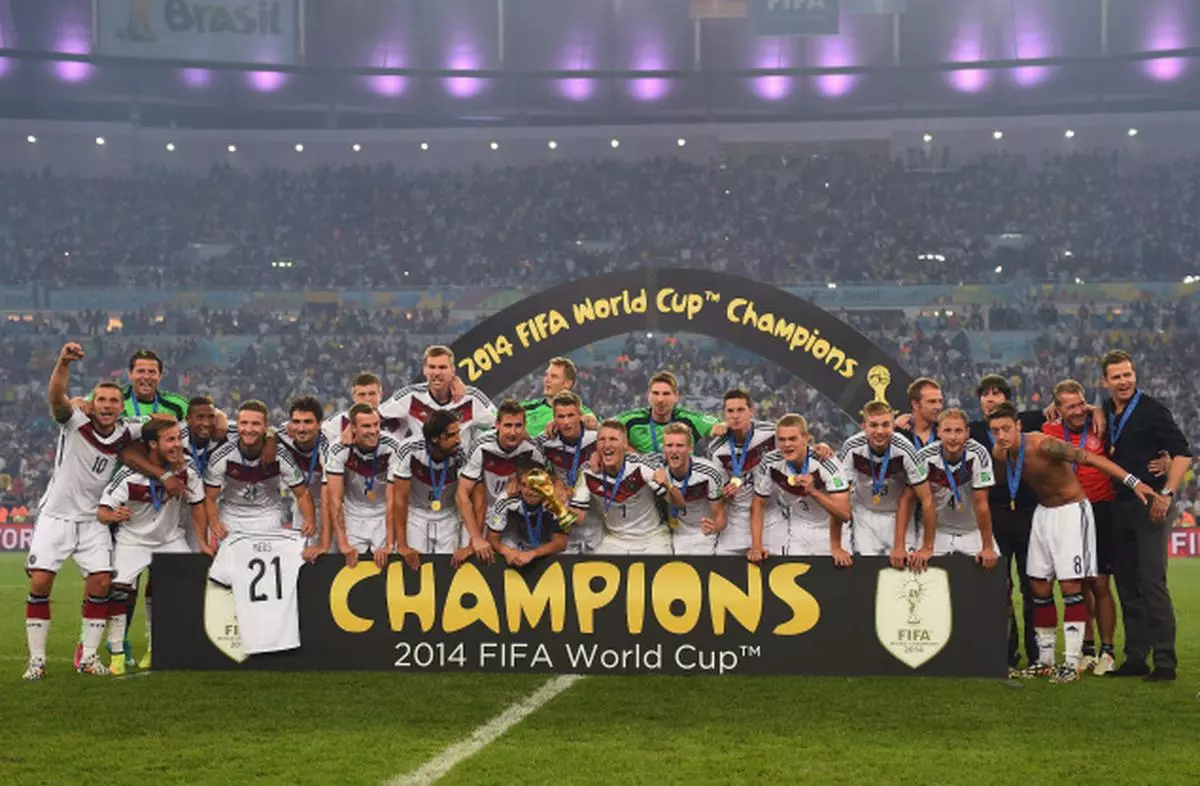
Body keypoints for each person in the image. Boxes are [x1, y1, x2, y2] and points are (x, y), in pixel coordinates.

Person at [986, 402, 1160, 684]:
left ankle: (1071, 661)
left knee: (1071, 586)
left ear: (1018, 426)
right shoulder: (999, 453)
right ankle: (1044, 661)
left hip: (1071, 511)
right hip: (1043, 515)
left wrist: (1133, 481)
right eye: (996, 431)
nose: (1001, 435)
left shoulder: (1044, 445)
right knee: (1038, 585)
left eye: (1006, 428)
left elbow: (1088, 458)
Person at [24, 343, 145, 680]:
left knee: (102, 582)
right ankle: (37, 660)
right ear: (92, 404)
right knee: (41, 581)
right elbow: (56, 398)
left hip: (93, 518)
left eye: (113, 401)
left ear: (122, 407)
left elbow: (161, 423)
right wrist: (63, 361)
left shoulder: (126, 430)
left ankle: (89, 658)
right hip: (56, 515)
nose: (107, 406)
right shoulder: (74, 420)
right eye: (101, 400)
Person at [1101, 350, 1191, 681]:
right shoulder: (1105, 410)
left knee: (1152, 582)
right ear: (1105, 381)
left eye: (1128, 375)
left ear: (1134, 375)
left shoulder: (1153, 410)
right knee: (1127, 583)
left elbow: (1183, 453)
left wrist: (1166, 494)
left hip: (1150, 504)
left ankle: (1165, 662)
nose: (1124, 381)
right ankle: (1136, 657)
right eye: (1117, 377)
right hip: (1119, 504)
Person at [97, 419, 205, 674]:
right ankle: (117, 654)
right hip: (133, 540)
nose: (177, 445)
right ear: (153, 444)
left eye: (179, 438)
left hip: (169, 539)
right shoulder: (129, 475)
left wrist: (203, 542)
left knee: (188, 589)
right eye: (171, 439)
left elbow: (198, 503)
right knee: (119, 593)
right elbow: (102, 511)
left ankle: (158, 649)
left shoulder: (186, 469)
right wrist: (113, 516)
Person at [1041, 379, 1117, 675]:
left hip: (1101, 509)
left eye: (1080, 404)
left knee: (1100, 582)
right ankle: (1087, 648)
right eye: (1069, 406)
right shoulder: (1048, 431)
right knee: (1079, 581)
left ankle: (1107, 651)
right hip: (1069, 512)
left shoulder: (1101, 425)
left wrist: (1096, 408)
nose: (1077, 411)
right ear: (1057, 410)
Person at [203, 401, 317, 573]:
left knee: (268, 572)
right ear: (237, 425)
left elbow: (302, 494)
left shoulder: (280, 455)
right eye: (244, 423)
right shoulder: (223, 455)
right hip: (231, 518)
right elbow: (209, 497)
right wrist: (214, 522)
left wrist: (309, 520)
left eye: (255, 424)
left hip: (268, 517)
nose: (249, 429)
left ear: (266, 427)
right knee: (230, 574)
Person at [838, 401, 938, 570]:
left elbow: (927, 499)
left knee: (905, 571)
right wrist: (838, 541)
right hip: (865, 514)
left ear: (893, 425)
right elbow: (841, 495)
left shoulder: (906, 449)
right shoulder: (851, 447)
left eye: (885, 425)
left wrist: (927, 547)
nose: (879, 431)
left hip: (898, 515)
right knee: (866, 571)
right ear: (864, 426)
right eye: (873, 425)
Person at [749, 414, 850, 562]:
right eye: (782, 440)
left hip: (832, 534)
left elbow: (844, 514)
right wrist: (756, 546)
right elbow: (758, 504)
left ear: (805, 438)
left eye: (792, 439)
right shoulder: (770, 462)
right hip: (798, 531)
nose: (786, 444)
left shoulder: (826, 462)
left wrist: (813, 492)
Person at [456, 399, 545, 564]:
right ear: (497, 425)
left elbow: (545, 484)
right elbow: (462, 493)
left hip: (513, 519)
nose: (513, 432)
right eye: (508, 425)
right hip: (481, 514)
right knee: (472, 561)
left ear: (525, 426)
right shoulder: (482, 446)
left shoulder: (532, 450)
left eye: (518, 426)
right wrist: (475, 537)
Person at [570, 420, 671, 554]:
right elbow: (578, 517)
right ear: (596, 445)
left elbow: (672, 496)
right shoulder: (588, 473)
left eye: (613, 439)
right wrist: (556, 505)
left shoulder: (641, 466)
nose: (607, 444)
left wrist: (666, 484)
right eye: (602, 440)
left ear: (625, 444)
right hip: (615, 540)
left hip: (653, 538)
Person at [915, 409, 999, 568]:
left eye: (958, 431)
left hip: (972, 529)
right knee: (923, 580)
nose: (953, 437)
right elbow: (927, 502)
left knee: (996, 581)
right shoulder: (924, 457)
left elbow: (981, 503)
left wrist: (987, 547)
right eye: (947, 430)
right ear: (938, 432)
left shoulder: (979, 454)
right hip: (937, 530)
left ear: (967, 433)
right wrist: (927, 546)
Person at [323, 404, 402, 568]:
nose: (373, 431)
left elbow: (392, 499)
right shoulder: (338, 449)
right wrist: (343, 542)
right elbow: (335, 500)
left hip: (383, 516)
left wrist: (389, 543)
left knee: (387, 568)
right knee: (352, 569)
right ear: (352, 427)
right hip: (353, 517)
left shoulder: (393, 446)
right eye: (366, 426)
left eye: (376, 425)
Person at [381, 345, 496, 451]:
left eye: (442, 367)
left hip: (460, 470)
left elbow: (499, 423)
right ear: (425, 370)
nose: (436, 372)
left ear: (452, 371)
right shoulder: (410, 396)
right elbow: (375, 416)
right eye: (432, 367)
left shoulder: (472, 397)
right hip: (424, 468)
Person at [391, 410, 467, 563]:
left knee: (448, 569)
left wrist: (470, 542)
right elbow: (400, 499)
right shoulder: (409, 449)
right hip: (416, 515)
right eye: (451, 435)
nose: (458, 440)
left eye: (458, 433)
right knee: (414, 567)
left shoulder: (462, 452)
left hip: (448, 515)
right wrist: (403, 544)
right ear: (434, 438)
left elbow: (468, 497)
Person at [708, 388, 775, 556]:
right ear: (724, 414)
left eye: (740, 410)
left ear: (751, 411)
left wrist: (822, 447)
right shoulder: (716, 449)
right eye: (730, 411)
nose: (735, 416)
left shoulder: (771, 433)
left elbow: (799, 446)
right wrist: (725, 493)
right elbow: (720, 495)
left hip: (771, 515)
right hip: (736, 520)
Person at [533, 392, 600, 554]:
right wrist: (553, 480)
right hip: (563, 519)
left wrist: (598, 431)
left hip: (596, 521)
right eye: (560, 416)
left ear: (580, 415)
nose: (566, 422)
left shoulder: (597, 437)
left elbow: (621, 444)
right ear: (553, 418)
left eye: (571, 415)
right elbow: (527, 463)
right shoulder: (546, 441)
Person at [655, 423, 726, 555]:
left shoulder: (709, 473)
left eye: (680, 445)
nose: (674, 450)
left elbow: (721, 515)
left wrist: (715, 527)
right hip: (677, 535)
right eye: (669, 445)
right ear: (663, 448)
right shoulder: (658, 471)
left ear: (690, 448)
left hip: (706, 535)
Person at [487, 457, 571, 565]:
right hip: (515, 548)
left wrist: (533, 553)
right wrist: (507, 551)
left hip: (545, 552)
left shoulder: (558, 501)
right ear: (518, 486)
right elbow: (492, 537)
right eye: (524, 485)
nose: (530, 492)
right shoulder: (506, 499)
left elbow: (561, 543)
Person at [614, 371, 719, 455]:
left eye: (666, 394)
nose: (660, 399)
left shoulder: (688, 419)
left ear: (676, 396)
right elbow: (601, 428)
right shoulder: (632, 420)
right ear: (648, 396)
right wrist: (629, 450)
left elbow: (722, 426)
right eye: (655, 393)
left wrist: (720, 427)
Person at [279, 397, 328, 552]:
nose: (301, 428)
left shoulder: (328, 447)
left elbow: (331, 498)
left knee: (329, 556)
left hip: (330, 507)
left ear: (319, 424)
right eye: (296, 422)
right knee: (300, 556)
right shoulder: (282, 436)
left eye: (308, 422)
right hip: (301, 505)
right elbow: (265, 432)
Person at [521, 358, 597, 437]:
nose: (547, 379)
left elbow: (592, 422)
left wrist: (561, 423)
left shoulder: (579, 410)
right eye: (546, 375)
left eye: (554, 376)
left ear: (567, 383)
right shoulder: (527, 407)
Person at [896, 377, 943, 450]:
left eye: (940, 401)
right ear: (915, 404)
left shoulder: (946, 433)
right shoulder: (898, 434)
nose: (938, 407)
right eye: (932, 402)